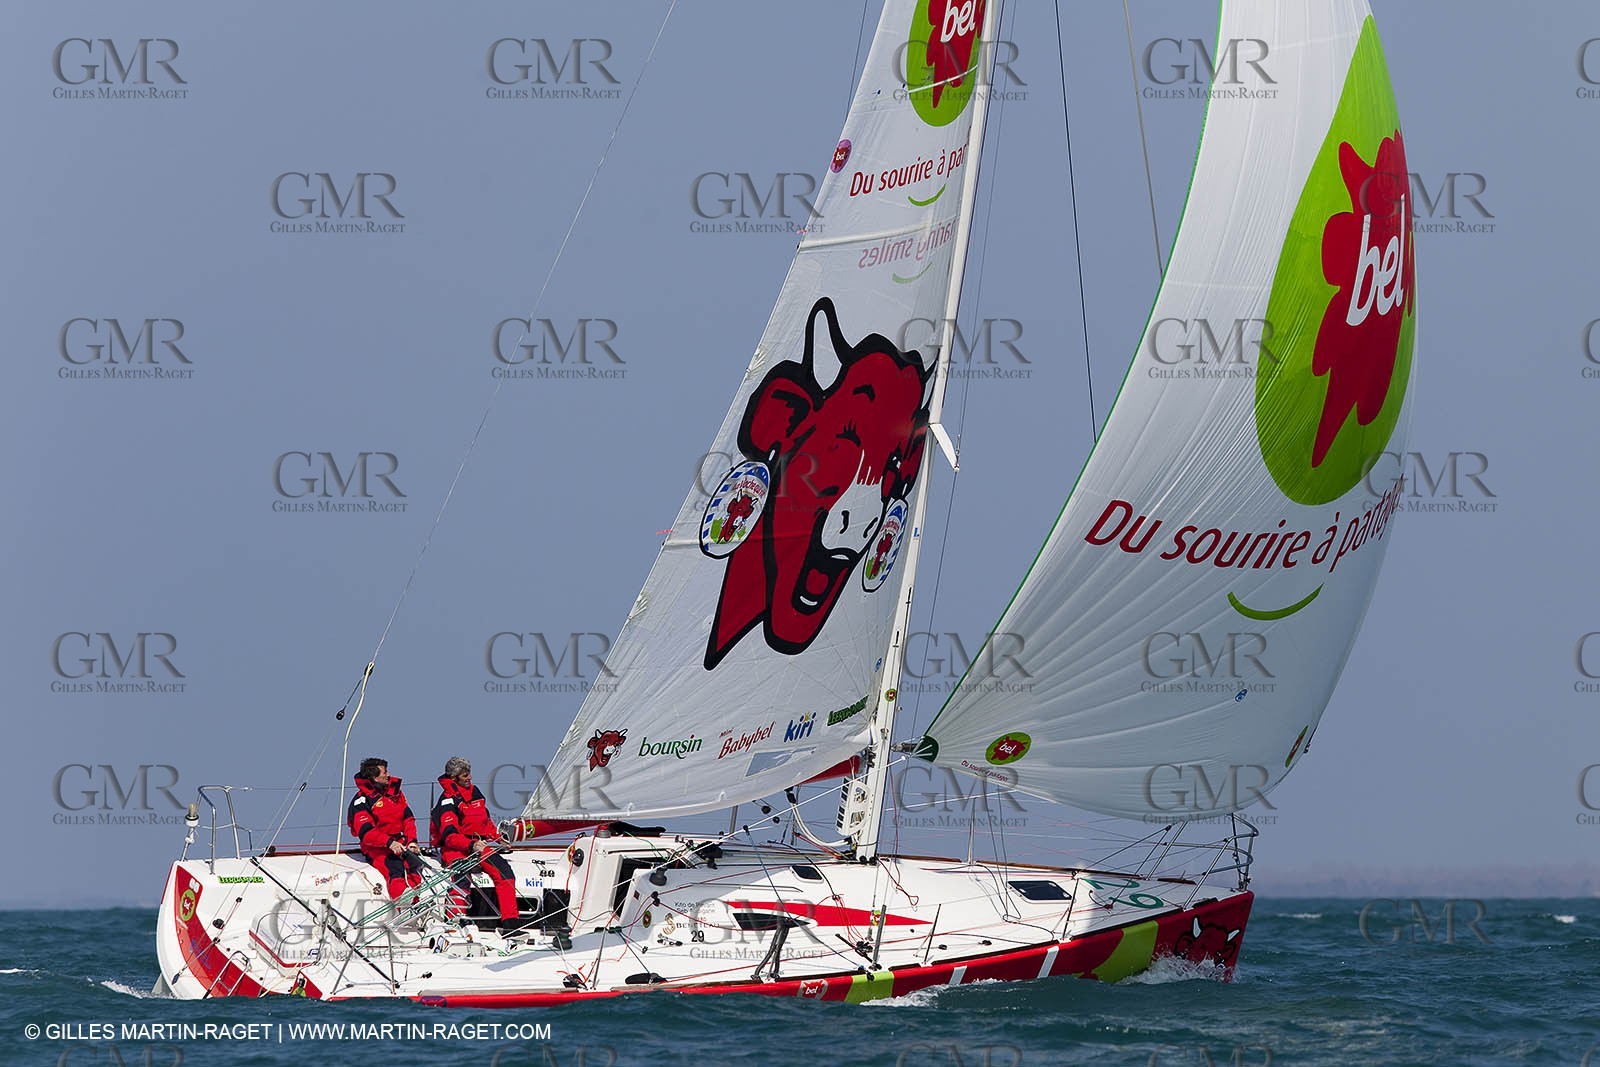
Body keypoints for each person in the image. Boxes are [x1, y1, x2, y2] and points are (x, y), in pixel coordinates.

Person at [430, 756, 519, 924]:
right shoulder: (447, 801)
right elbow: (449, 836)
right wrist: (472, 845)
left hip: (478, 846)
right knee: (460, 880)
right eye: (465, 775)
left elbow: (485, 822)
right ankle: (455, 923)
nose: (469, 777)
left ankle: (511, 923)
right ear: (454, 778)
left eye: (469, 773)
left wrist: (498, 837)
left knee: (504, 872)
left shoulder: (475, 793)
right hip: (456, 849)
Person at [347, 757, 425, 902]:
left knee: (414, 865)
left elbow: (408, 819)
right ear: (374, 778)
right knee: (394, 869)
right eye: (385, 772)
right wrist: (389, 843)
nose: (388, 775)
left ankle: (418, 900)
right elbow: (366, 832)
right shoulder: (361, 801)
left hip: (400, 843)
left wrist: (412, 841)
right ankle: (405, 905)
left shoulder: (395, 794)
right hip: (377, 848)